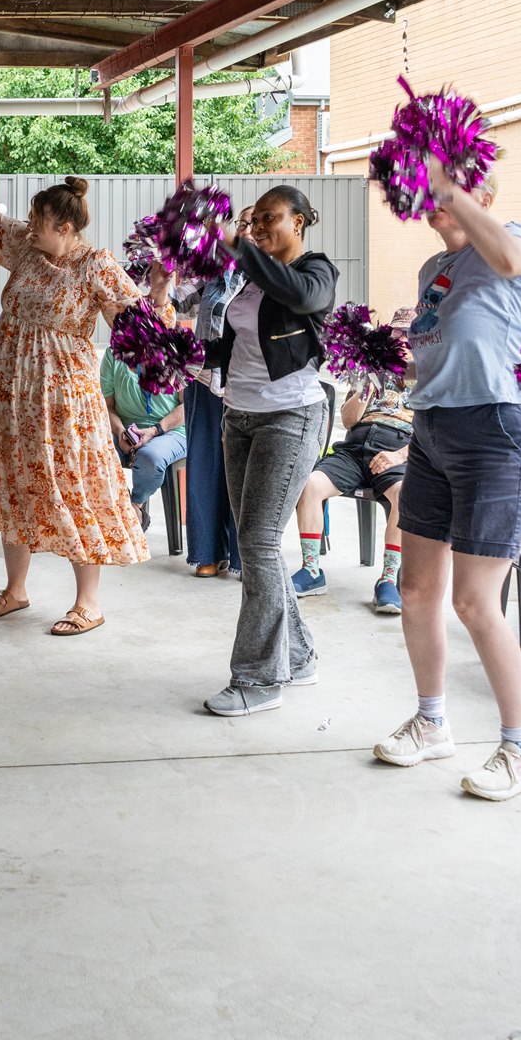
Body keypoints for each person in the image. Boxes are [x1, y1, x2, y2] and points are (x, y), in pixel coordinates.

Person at [370, 163, 521, 798]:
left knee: (474, 600)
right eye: (431, 196)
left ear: (486, 199)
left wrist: (449, 183)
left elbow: (504, 253)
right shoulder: (431, 272)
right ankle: (432, 721)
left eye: (451, 195)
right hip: (434, 430)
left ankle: (520, 747)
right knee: (416, 592)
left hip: (497, 432)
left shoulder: (514, 244)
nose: (435, 204)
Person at [0, 130, 170, 635]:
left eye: (40, 223)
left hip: (63, 398)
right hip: (11, 391)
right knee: (14, 479)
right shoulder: (26, 249)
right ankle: (16, 589)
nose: (29, 230)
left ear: (67, 226)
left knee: (73, 486)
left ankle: (88, 602)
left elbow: (136, 329)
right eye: (30, 221)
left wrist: (158, 296)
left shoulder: (95, 265)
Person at [197, 185, 338, 716]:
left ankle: (258, 679)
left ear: (299, 221)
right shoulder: (251, 282)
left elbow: (301, 299)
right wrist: (175, 345)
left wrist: (240, 247)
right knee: (256, 543)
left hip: (292, 415)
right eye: (252, 223)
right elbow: (237, 345)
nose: (257, 230)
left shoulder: (316, 272)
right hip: (240, 415)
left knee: (256, 542)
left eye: (269, 220)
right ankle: (297, 657)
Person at [289, 381, 414, 613]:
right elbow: (348, 421)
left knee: (405, 494)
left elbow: (434, 432)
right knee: (310, 485)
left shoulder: (430, 372)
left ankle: (388, 580)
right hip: (353, 449)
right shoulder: (372, 368)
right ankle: (312, 571)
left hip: (397, 449)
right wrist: (368, 384)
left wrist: (400, 456)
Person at [179, 206, 248, 579]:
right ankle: (207, 550)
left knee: (241, 470)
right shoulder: (213, 274)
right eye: (246, 223)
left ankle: (241, 557)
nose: (250, 229)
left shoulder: (278, 277)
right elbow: (174, 300)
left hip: (249, 383)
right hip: (205, 380)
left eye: (260, 222)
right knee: (206, 465)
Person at [101, 348, 186, 530]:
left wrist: (155, 430)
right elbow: (107, 406)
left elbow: (188, 407)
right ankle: (119, 504)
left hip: (169, 429)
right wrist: (120, 431)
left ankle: (135, 507)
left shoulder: (177, 352)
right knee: (96, 449)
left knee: (150, 457)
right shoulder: (113, 354)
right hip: (126, 428)